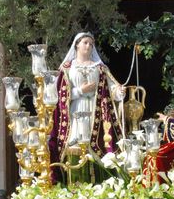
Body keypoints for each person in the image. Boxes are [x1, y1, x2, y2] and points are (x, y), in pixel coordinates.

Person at [49, 32, 125, 180]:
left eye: (91, 44)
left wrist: (119, 92)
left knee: (97, 146)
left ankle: (99, 183)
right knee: (74, 146)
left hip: (96, 112)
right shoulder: (67, 68)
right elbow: (59, 95)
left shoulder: (100, 68)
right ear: (77, 44)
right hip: (75, 112)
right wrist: (80, 91)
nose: (88, 46)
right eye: (85, 42)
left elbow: (112, 90)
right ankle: (74, 183)